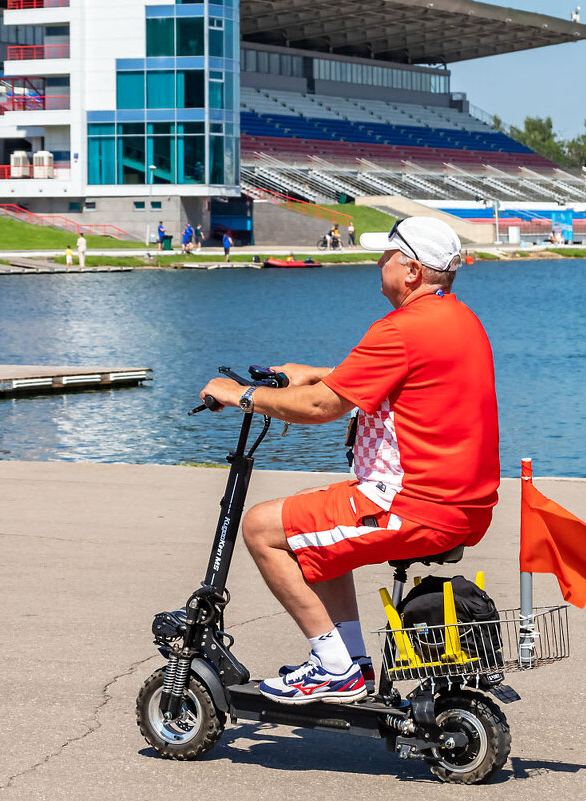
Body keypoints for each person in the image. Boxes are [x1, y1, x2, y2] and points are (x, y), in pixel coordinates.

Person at [198, 217, 499, 705]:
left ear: (412, 272)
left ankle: (333, 668)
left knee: (260, 528)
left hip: (412, 505)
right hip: (462, 504)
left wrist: (240, 394)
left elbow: (323, 407)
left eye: (388, 255)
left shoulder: (400, 329)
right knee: (315, 516)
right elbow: (395, 374)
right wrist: (310, 372)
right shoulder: (459, 321)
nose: (378, 262)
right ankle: (351, 660)